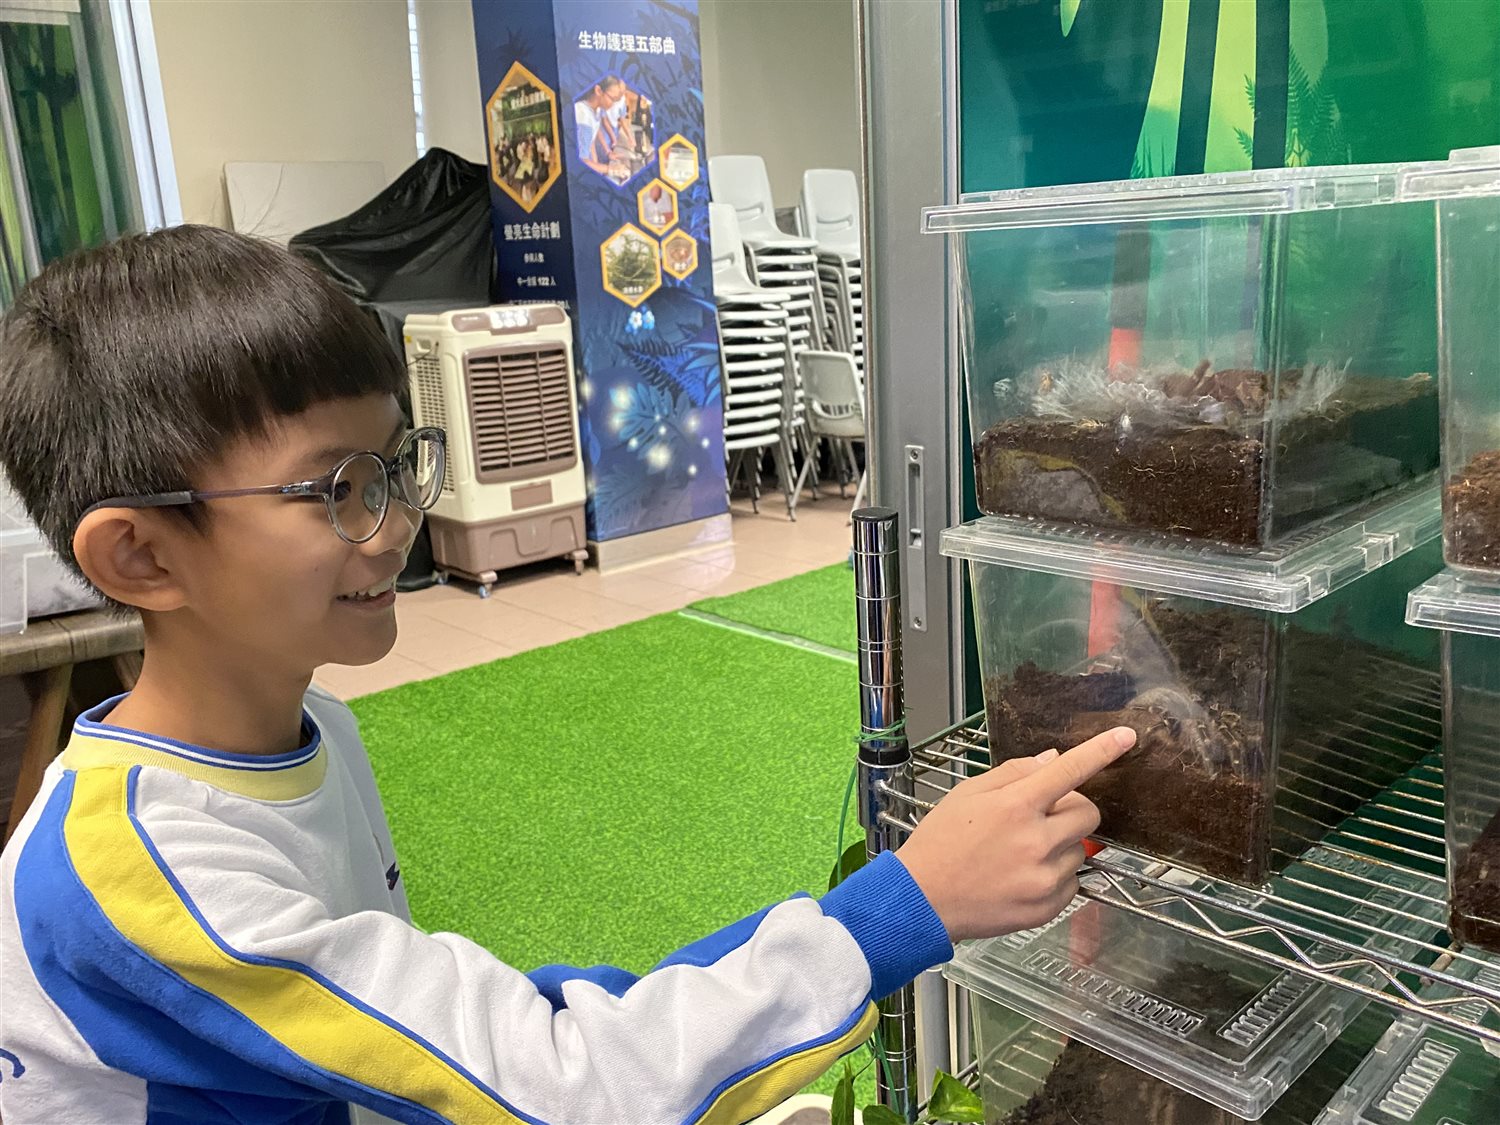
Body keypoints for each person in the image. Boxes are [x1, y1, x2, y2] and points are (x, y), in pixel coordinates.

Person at [0, 225, 1135, 1124]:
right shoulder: (134, 875)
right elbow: (559, 1092)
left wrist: (856, 915)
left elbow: (475, 1032)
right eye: (339, 487)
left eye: (397, 462)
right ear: (142, 556)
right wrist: (907, 906)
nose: (399, 519)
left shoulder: (311, 729)